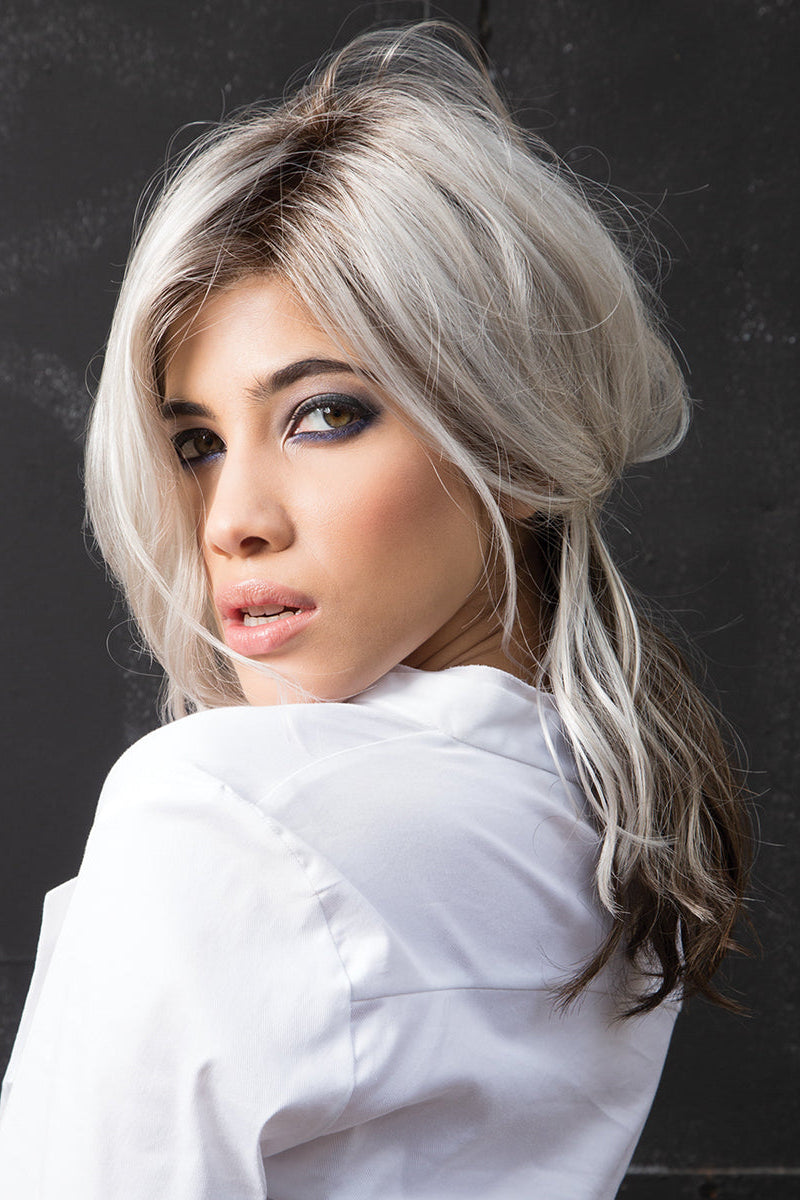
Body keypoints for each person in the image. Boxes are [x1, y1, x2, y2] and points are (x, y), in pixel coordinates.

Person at [0, 21, 750, 1200]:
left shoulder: (222, 813)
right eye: (195, 443)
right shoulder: (603, 823)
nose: (231, 520)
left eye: (323, 416)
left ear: (508, 441)